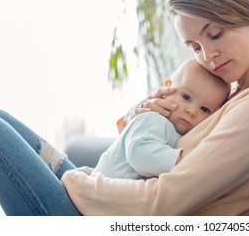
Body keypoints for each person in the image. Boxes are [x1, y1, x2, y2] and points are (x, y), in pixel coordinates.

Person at [0, 0, 249, 216]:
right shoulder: (241, 91)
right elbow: (157, 149)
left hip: (124, 218)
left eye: (215, 34)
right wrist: (137, 118)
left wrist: (76, 181)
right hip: (117, 202)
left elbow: (160, 203)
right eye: (195, 47)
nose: (208, 56)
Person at [92, 59, 230, 179]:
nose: (192, 111)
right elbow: (139, 154)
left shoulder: (186, 134)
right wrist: (181, 160)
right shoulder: (154, 119)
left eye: (205, 109)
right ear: (167, 87)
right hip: (95, 193)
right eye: (186, 97)